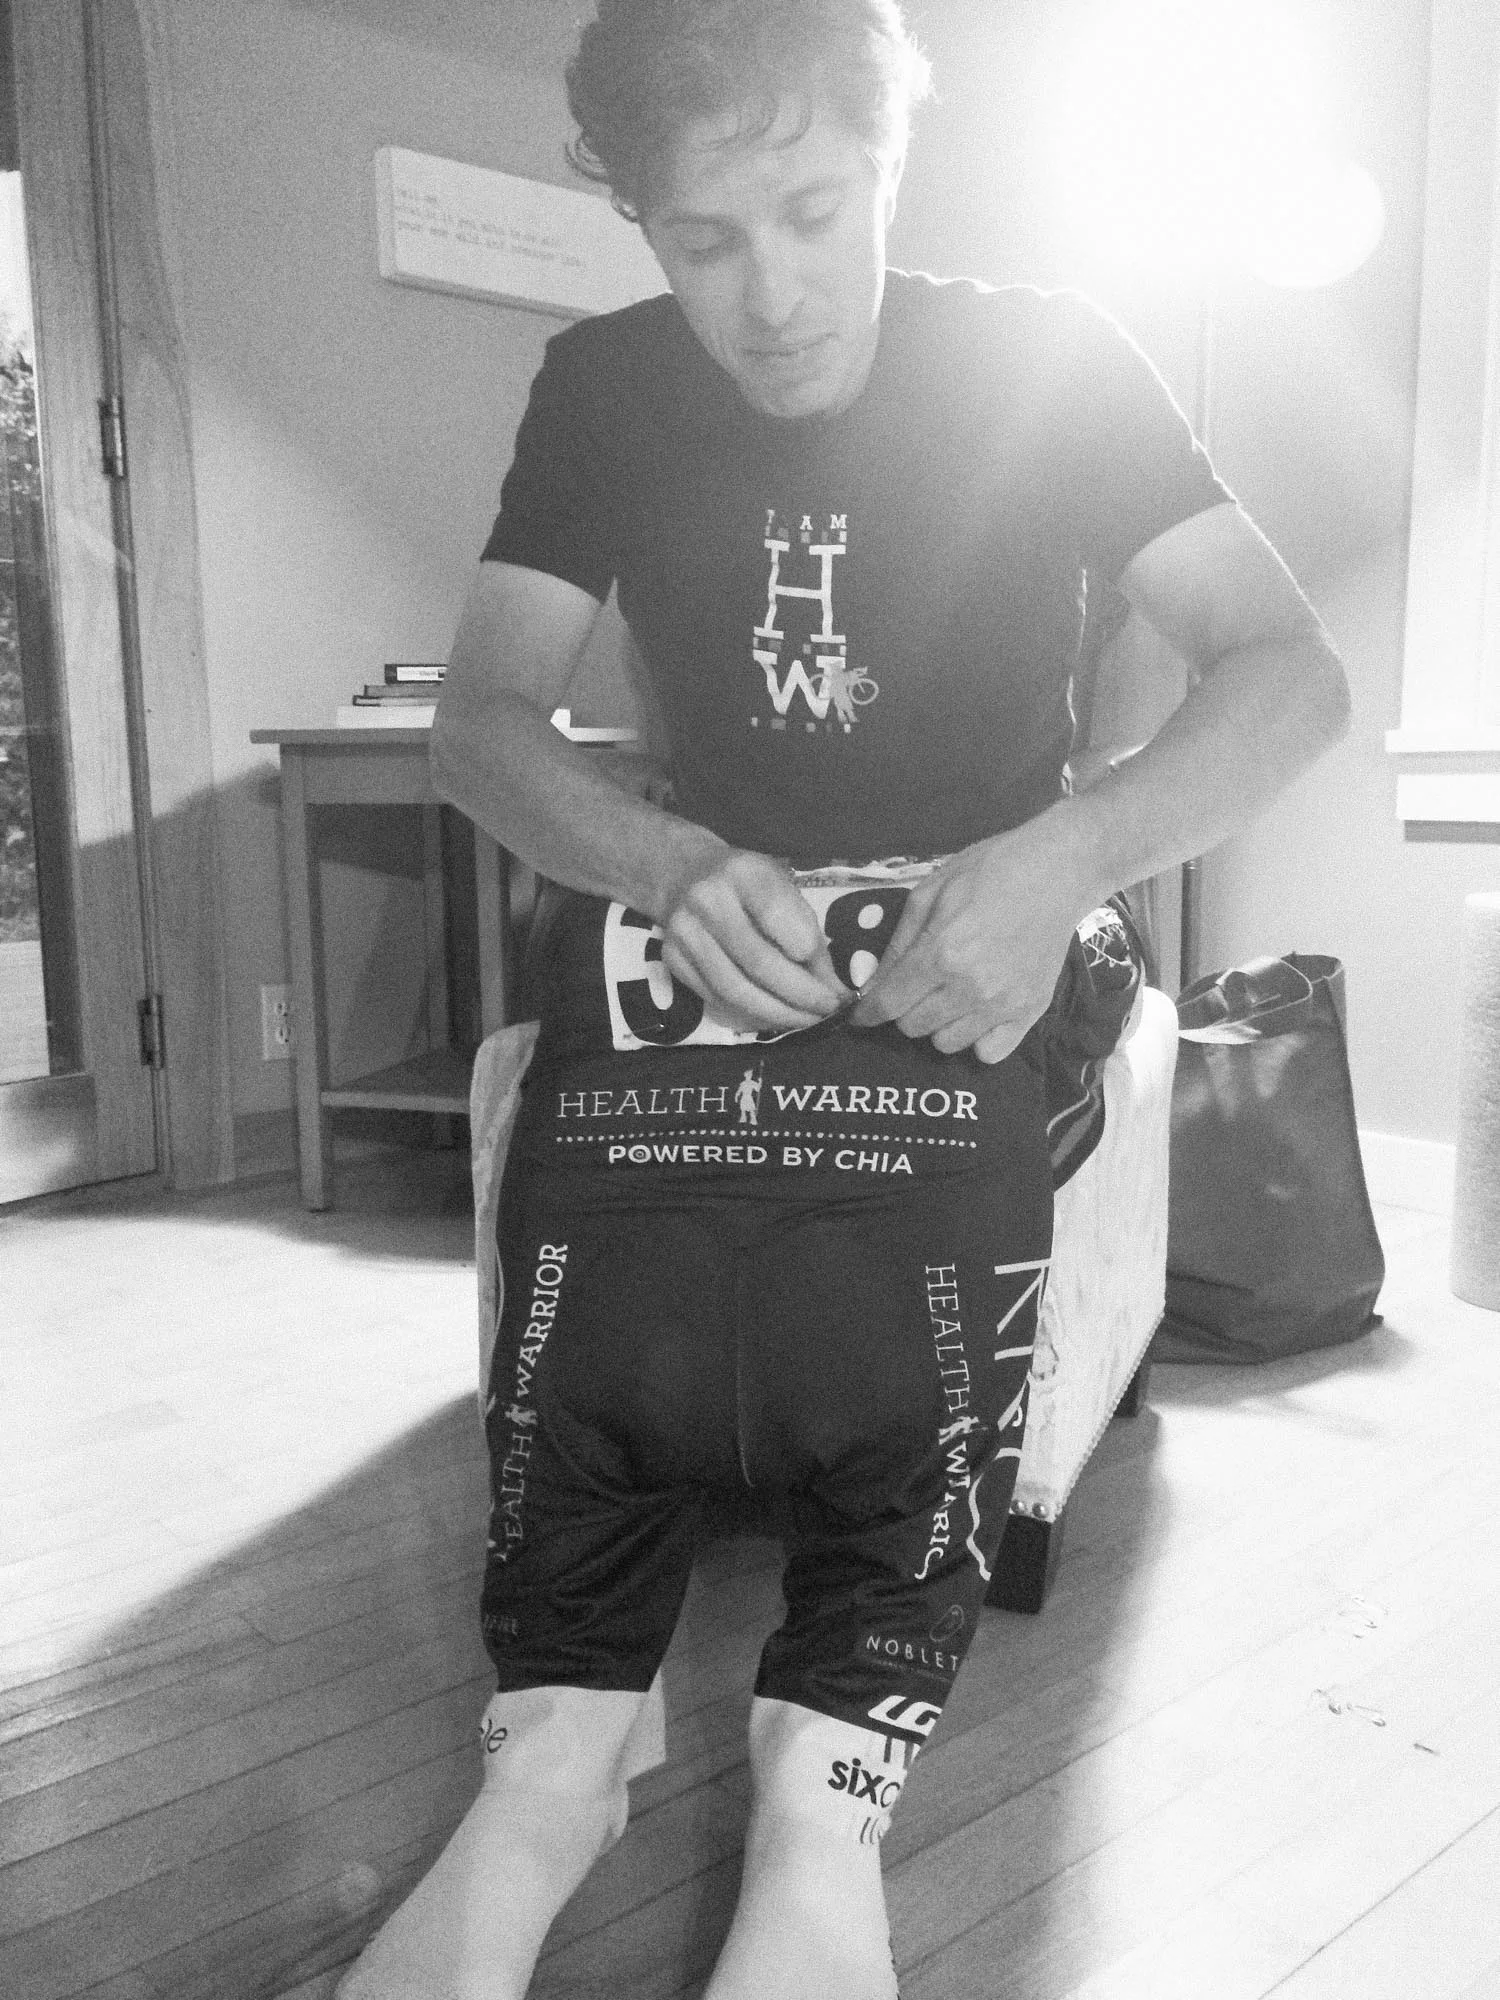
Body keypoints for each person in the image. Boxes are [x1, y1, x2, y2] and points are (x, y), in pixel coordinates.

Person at [337, 1, 1350, 1994]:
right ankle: (555, 1756)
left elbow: (1290, 673)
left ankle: (829, 1791)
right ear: (641, 225)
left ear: (891, 162)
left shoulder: (1055, 358)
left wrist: (1065, 857)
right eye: (702, 240)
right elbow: (481, 721)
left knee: (926, 1105)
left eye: (811, 211)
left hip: (994, 896)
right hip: (715, 901)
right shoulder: (603, 384)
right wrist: (663, 866)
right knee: (596, 1046)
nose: (771, 293)